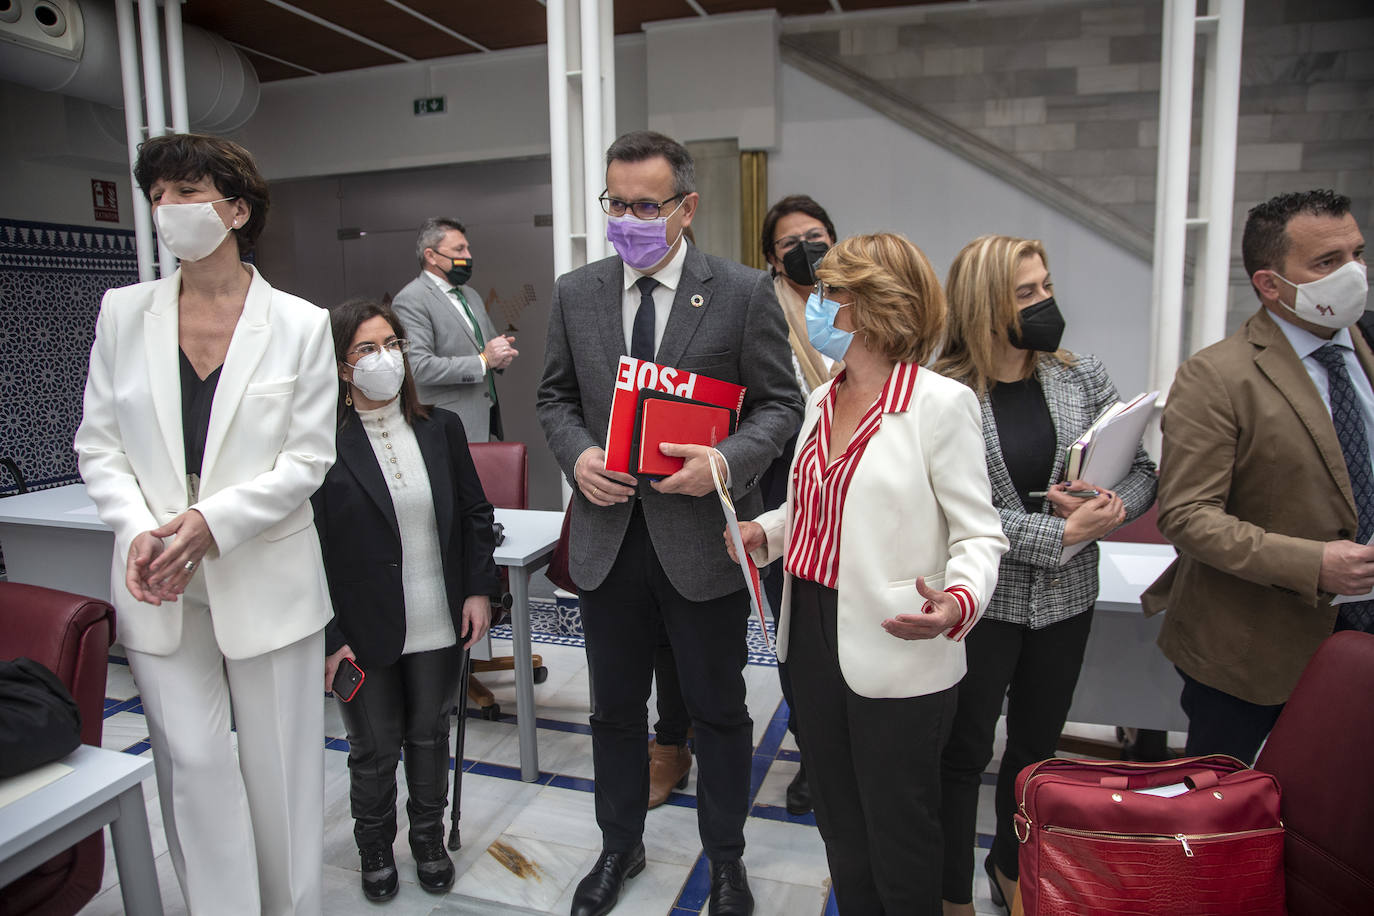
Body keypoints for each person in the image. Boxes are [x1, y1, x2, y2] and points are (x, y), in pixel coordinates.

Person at [537, 130, 803, 916]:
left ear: (687, 207)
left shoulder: (742, 291)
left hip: (702, 545)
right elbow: (554, 397)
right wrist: (578, 455)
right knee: (614, 709)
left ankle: (726, 860)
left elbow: (780, 405)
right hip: (608, 539)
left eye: (645, 205)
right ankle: (619, 845)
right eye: (615, 203)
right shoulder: (576, 291)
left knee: (719, 710)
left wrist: (724, 463)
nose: (628, 219)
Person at [73, 133, 336, 916]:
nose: (167, 209)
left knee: (279, 774)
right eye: (158, 195)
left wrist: (208, 523)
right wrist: (139, 529)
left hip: (264, 571)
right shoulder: (124, 312)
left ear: (236, 209)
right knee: (191, 766)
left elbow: (306, 460)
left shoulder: (299, 323)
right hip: (157, 574)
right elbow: (99, 442)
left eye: (186, 192)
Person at [731, 233, 1009, 915]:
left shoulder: (939, 404)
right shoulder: (825, 398)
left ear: (876, 307)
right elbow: (813, 507)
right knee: (840, 820)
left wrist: (959, 602)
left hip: (899, 639)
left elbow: (979, 532)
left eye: (831, 293)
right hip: (814, 635)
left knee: (900, 828)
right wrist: (763, 532)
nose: (815, 305)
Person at [933, 235, 1157, 915]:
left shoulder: (1079, 374)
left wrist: (1109, 508)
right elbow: (948, 511)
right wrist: (1057, 532)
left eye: (1046, 288)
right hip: (982, 603)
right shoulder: (945, 389)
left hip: (1066, 600)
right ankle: (949, 892)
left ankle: (1009, 864)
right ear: (984, 303)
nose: (1045, 304)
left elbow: (1144, 470)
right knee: (963, 752)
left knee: (1035, 749)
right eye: (1025, 293)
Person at [1143, 189, 1372, 764]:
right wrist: (1314, 563)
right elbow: (1188, 517)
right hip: (1254, 655)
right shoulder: (1217, 377)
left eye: (1357, 254)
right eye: (1327, 263)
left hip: (1363, 635)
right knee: (1232, 822)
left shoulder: (1363, 350)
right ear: (1271, 284)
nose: (1353, 274)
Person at [312, 298, 499, 902]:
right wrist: (329, 636)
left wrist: (477, 589)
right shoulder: (319, 445)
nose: (384, 358)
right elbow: (305, 551)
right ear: (343, 367)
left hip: (438, 615)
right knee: (372, 748)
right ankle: (374, 849)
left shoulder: (439, 428)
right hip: (362, 627)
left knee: (429, 733)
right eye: (367, 349)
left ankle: (427, 841)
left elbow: (474, 514)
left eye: (390, 343)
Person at [392, 217, 517, 441]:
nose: (468, 257)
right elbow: (419, 367)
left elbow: (485, 347)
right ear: (431, 256)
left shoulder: (470, 294)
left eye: (467, 249)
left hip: (484, 417)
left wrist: (500, 355)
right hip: (446, 424)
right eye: (459, 250)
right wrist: (483, 361)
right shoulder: (411, 300)